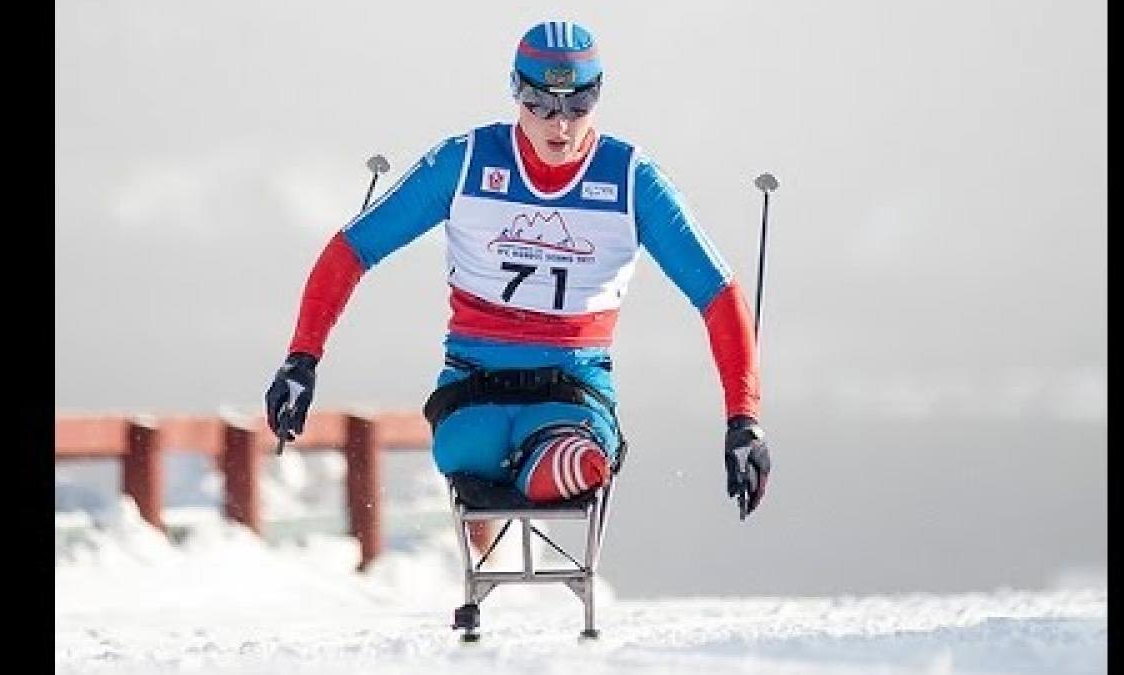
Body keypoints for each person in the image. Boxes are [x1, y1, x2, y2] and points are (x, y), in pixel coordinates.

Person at [265, 20, 771, 527]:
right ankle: (538, 463)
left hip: (574, 385)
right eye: (542, 105)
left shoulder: (633, 181)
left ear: (598, 96)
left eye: (578, 105)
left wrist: (743, 420)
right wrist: (301, 360)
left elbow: (718, 294)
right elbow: (351, 250)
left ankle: (555, 459)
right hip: (475, 380)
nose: (561, 125)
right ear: (515, 91)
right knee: (468, 451)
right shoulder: (463, 163)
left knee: (565, 453)